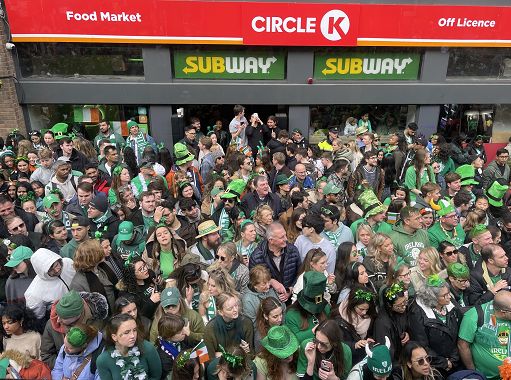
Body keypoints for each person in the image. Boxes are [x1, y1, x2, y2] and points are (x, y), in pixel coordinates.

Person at [408, 275, 461, 375]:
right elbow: (422, 345)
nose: (449, 297)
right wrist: (444, 363)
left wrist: (454, 358)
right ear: (433, 298)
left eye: (449, 293)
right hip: (435, 367)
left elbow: (460, 333)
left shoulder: (450, 303)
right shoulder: (417, 314)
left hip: (455, 360)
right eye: (444, 295)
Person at [458, 290, 511, 380]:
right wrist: (473, 372)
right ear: (503, 312)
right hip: (487, 376)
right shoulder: (474, 316)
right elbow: (462, 345)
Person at [96, 313, 162, 379]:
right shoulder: (103, 360)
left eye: (134, 330)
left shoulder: (147, 348)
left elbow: (156, 376)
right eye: (126, 332)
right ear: (114, 337)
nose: (133, 336)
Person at [249, 222, 301, 303]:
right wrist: (270, 281)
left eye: (285, 235)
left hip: (291, 300)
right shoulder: (256, 257)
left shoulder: (293, 250)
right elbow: (253, 283)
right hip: (269, 303)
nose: (286, 239)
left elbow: (300, 273)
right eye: (281, 237)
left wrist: (291, 289)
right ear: (271, 240)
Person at [25, 247, 76, 320]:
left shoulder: (68, 263)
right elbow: (38, 319)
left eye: (56, 265)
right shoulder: (34, 293)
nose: (56, 270)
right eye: (50, 270)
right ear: (42, 272)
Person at [69, 239, 117, 312]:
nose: (102, 251)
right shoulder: (77, 283)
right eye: (99, 250)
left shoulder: (107, 265)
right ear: (91, 257)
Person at [203, 292, 253, 358]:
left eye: (236, 305)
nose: (235, 310)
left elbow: (251, 354)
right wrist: (237, 353)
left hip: (241, 361)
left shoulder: (246, 322)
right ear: (220, 312)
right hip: (220, 364)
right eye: (230, 309)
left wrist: (246, 351)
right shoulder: (211, 328)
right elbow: (210, 358)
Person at [285, 272, 331, 343]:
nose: (314, 310)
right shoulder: (291, 315)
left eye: (317, 306)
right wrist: (313, 331)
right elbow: (294, 340)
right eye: (311, 306)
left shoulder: (325, 308)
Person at [336, 286, 377, 364]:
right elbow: (337, 344)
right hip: (349, 361)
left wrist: (368, 340)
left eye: (367, 309)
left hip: (363, 357)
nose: (364, 313)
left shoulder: (370, 315)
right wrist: (354, 345)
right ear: (352, 305)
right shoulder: (338, 320)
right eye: (361, 309)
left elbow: (371, 333)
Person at [373, 282, 410, 365]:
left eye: (404, 301)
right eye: (399, 305)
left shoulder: (402, 311)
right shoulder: (382, 323)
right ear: (389, 305)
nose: (404, 306)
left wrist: (407, 334)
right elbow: (387, 351)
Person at [156, 314, 198, 379]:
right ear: (169, 335)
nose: (184, 332)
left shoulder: (183, 338)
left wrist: (190, 334)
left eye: (183, 328)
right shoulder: (163, 357)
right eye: (179, 332)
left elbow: (199, 345)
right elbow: (173, 376)